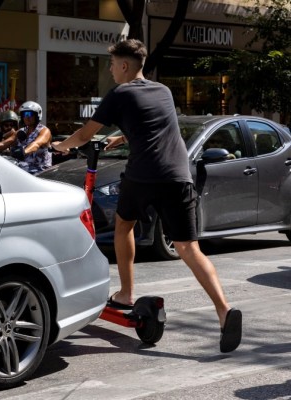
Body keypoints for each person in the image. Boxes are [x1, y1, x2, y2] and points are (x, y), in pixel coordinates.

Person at [52, 39, 242, 353]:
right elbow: (150, 123)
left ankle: (126, 293)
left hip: (143, 175)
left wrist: (61, 146)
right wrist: (119, 137)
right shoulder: (163, 91)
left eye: (113, 65)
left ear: (125, 65)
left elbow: (84, 135)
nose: (111, 70)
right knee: (188, 248)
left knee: (124, 225)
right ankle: (224, 309)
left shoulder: (119, 94)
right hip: (178, 175)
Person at [10, 101, 52, 174]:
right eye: (24, 114)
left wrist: (23, 151)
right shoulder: (22, 131)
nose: (27, 117)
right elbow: (4, 143)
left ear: (37, 115)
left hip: (40, 172)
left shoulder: (44, 130)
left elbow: (36, 144)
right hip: (23, 171)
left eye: (30, 114)